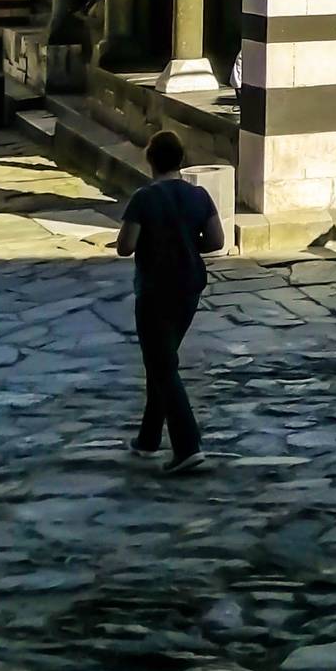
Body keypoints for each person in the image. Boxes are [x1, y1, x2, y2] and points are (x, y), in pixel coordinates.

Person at [115, 128, 224, 472]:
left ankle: (187, 444)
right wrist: (189, 245)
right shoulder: (200, 195)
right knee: (161, 361)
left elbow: (125, 245)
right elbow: (217, 240)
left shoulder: (143, 198)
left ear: (151, 161)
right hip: (189, 286)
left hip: (154, 289)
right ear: (181, 160)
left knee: (162, 365)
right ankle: (148, 439)